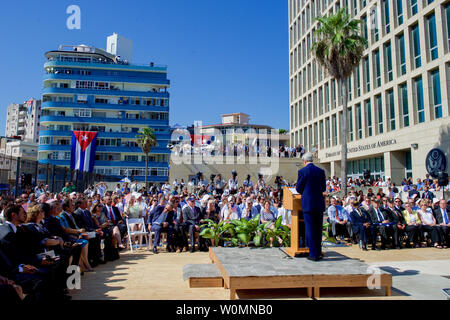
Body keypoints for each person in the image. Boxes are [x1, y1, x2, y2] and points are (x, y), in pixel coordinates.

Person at [295, 152, 326, 261]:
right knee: (318, 229)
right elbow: (323, 188)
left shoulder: (302, 171)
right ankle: (318, 252)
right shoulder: (321, 171)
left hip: (308, 203)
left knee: (310, 228)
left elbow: (298, 188)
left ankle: (313, 254)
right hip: (319, 203)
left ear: (304, 161)